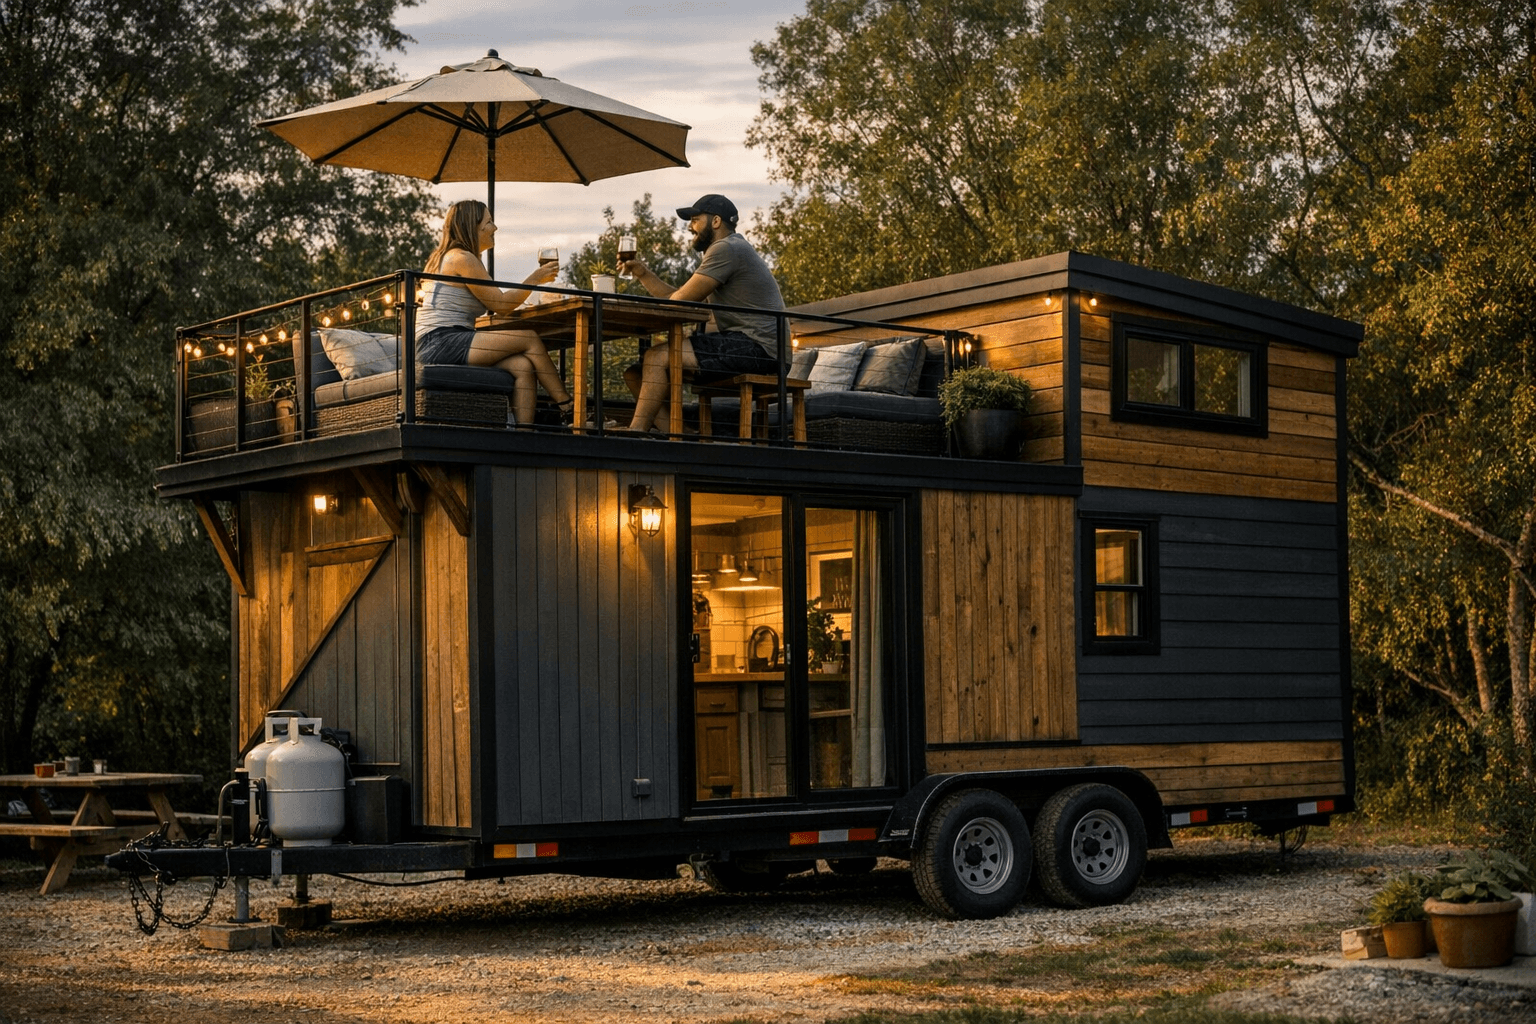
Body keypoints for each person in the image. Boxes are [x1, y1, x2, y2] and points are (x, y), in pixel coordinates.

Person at [617, 194, 786, 434]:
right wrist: (643, 273)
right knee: (635, 373)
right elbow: (679, 298)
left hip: (761, 348)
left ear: (716, 221)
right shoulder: (726, 250)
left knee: (656, 357)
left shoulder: (726, 248)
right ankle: (681, 436)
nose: (690, 226)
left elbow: (679, 301)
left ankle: (636, 433)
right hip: (752, 345)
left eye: (696, 219)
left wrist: (674, 300)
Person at [416, 199, 573, 426]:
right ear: (473, 226)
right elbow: (500, 304)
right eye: (489, 222)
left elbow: (497, 303)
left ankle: (522, 437)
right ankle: (569, 409)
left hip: (442, 341)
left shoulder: (451, 257)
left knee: (523, 366)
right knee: (529, 338)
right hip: (439, 341)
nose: (495, 228)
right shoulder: (462, 258)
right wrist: (535, 278)